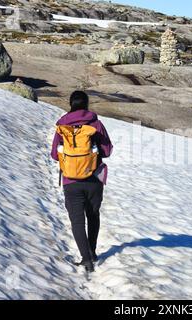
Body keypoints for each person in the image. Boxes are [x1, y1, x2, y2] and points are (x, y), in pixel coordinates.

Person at [51, 91, 113, 273]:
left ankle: (86, 259)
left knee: (77, 221)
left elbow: (55, 155)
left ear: (70, 104)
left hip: (71, 181)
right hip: (94, 179)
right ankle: (93, 252)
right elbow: (107, 151)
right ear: (86, 104)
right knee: (93, 215)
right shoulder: (96, 124)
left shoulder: (62, 125)